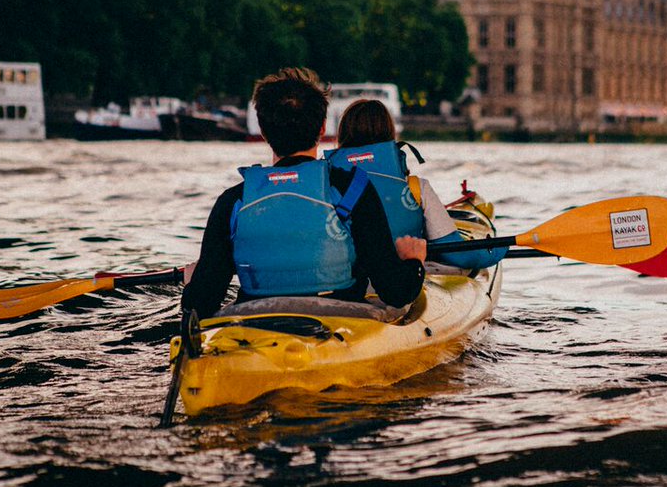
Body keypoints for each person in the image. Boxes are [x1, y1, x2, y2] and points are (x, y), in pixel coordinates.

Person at [180, 68, 427, 319]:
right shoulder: (353, 188)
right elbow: (395, 292)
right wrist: (413, 261)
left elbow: (200, 304)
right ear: (322, 128)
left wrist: (192, 284)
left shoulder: (233, 201)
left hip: (253, 321)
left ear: (264, 132)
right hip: (340, 320)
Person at [330, 99, 504, 269]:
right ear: (391, 136)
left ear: (342, 136)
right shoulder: (415, 189)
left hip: (342, 279)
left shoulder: (324, 185)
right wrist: (499, 249)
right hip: (399, 281)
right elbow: (457, 254)